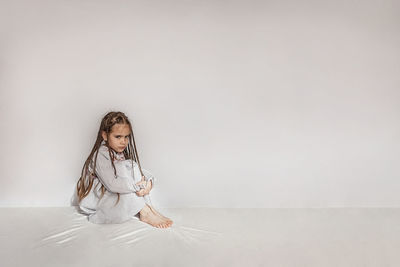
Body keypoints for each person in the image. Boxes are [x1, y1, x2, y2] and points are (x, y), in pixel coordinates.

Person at [76, 111, 173, 228]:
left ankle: (148, 209)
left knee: (131, 165)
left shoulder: (118, 152)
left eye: (126, 136)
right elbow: (112, 184)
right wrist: (137, 186)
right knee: (126, 168)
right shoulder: (101, 154)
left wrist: (148, 181)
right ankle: (145, 211)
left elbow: (135, 171)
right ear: (105, 135)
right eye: (118, 137)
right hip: (99, 198)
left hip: (116, 188)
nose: (124, 141)